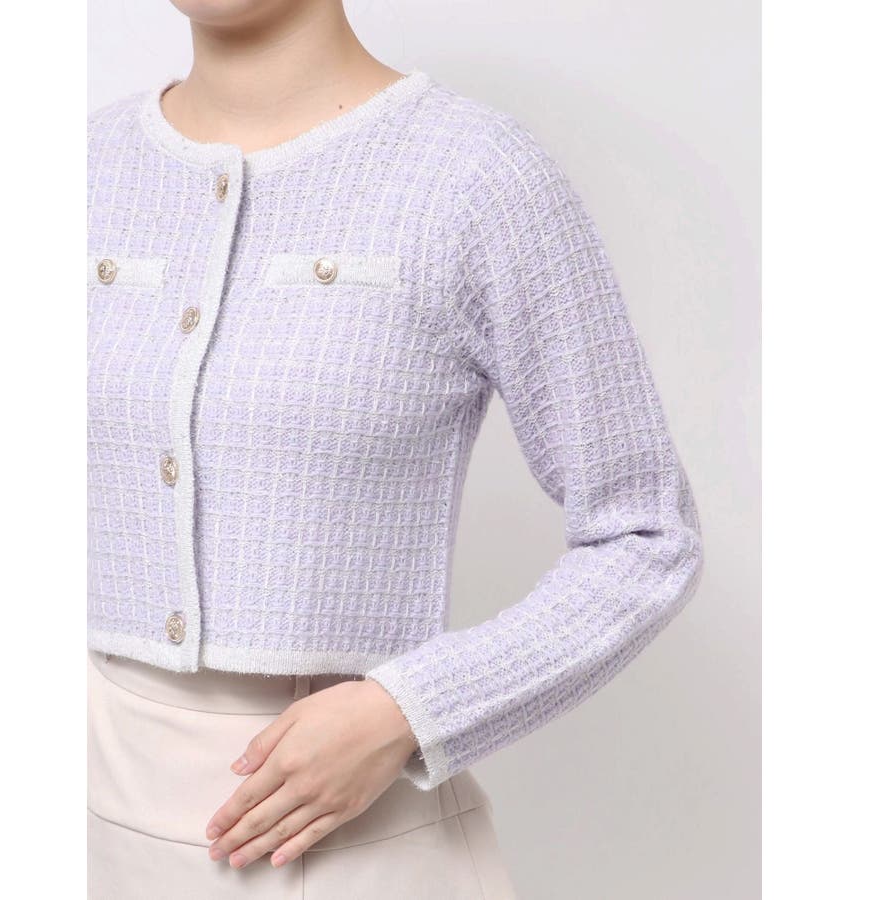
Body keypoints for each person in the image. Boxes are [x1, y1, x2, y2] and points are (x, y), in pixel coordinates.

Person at [86, 0, 704, 896]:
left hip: (356, 847)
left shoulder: (475, 174)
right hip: (88, 823)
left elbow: (648, 535)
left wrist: (409, 710)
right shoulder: (79, 169)